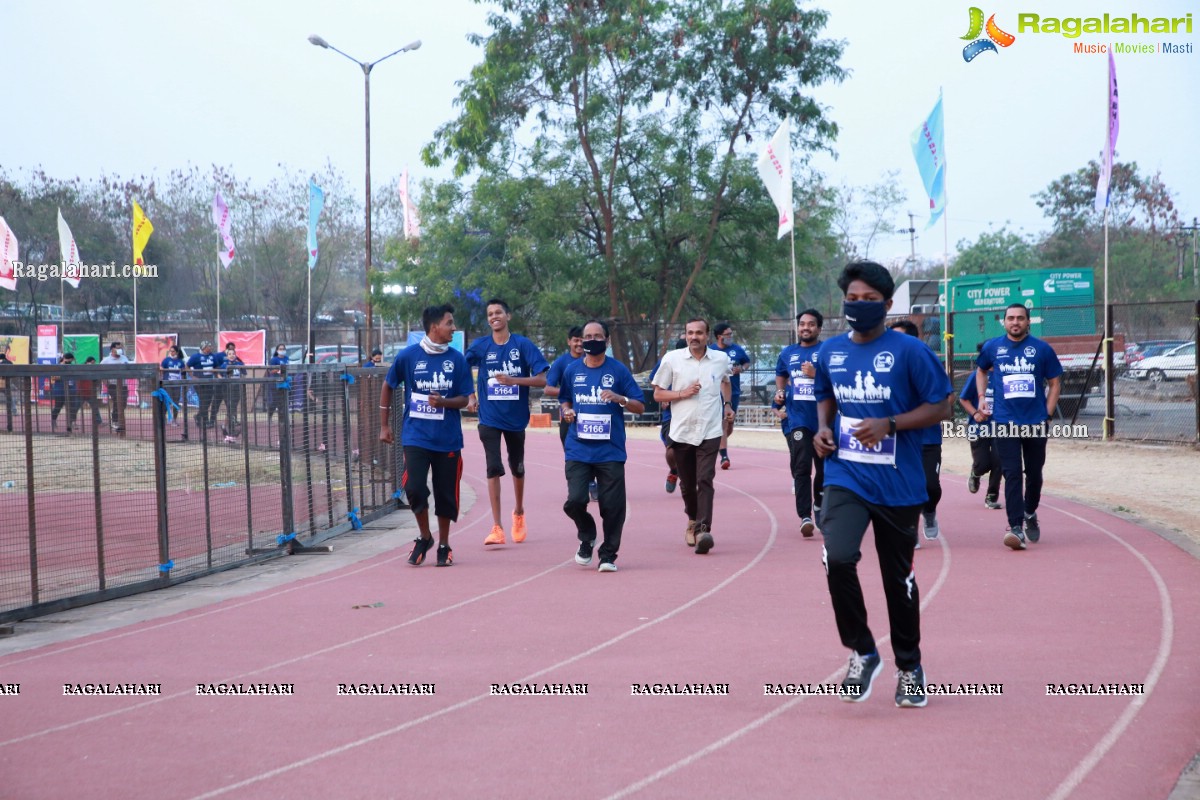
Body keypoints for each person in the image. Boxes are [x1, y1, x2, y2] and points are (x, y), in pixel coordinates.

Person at [812, 261, 952, 708]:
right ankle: (863, 650)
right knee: (837, 557)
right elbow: (824, 394)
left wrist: (890, 423)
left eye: (870, 301)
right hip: (845, 475)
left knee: (899, 581)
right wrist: (822, 429)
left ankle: (909, 667)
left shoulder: (910, 352)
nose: (859, 306)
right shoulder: (831, 351)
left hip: (898, 484)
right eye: (852, 299)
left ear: (888, 305)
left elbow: (943, 406)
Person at [379, 304, 474, 568]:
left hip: (447, 439)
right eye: (450, 323)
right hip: (415, 436)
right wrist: (384, 425)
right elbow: (389, 384)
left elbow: (465, 399)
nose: (453, 328)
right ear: (434, 327)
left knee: (445, 495)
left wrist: (444, 403)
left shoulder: (457, 359)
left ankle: (444, 544)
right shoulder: (408, 357)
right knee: (414, 488)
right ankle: (425, 536)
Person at [559, 320, 645, 572]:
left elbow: (640, 406)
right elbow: (564, 398)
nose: (592, 340)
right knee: (574, 501)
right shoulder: (572, 371)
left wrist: (621, 398)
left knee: (612, 506)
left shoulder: (618, 371)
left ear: (607, 341)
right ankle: (587, 535)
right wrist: (566, 411)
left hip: (610, 450)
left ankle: (608, 554)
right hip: (578, 448)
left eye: (597, 336)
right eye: (588, 336)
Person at [976, 303, 1063, 551]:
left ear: (1028, 322)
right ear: (1003, 322)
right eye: (1011, 318)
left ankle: (1029, 511)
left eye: (1020, 318)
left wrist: (1046, 414)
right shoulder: (993, 347)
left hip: (1035, 421)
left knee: (1034, 473)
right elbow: (981, 370)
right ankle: (1015, 527)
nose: (1015, 322)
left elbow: (1055, 382)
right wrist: (982, 398)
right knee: (1011, 473)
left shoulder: (1042, 349)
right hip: (1004, 421)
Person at [465, 298, 550, 546]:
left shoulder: (522, 345)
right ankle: (497, 526)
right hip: (489, 417)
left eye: (498, 312)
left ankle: (519, 512)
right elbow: (461, 369)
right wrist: (471, 395)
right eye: (490, 314)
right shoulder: (481, 346)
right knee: (493, 467)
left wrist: (515, 381)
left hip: (515, 419)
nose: (494, 317)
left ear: (508, 316)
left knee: (518, 467)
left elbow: (543, 378)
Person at [652, 320, 732, 554]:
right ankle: (691, 519)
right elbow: (657, 393)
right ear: (685, 335)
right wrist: (681, 393)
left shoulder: (720, 360)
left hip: (710, 430)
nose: (694, 336)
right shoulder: (672, 359)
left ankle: (702, 531)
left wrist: (727, 404)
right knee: (687, 485)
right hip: (682, 431)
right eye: (690, 333)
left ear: (708, 335)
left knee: (705, 479)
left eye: (699, 332)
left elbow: (726, 381)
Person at [889, 319, 951, 546]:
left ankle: (930, 511)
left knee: (930, 486)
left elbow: (947, 399)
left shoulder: (928, 363)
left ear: (914, 341)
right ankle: (909, 528)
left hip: (927, 438)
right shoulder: (884, 367)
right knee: (903, 486)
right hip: (898, 438)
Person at [774, 309, 825, 537]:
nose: (806, 328)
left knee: (824, 470)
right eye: (802, 324)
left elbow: (838, 378)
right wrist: (779, 392)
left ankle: (819, 505)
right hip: (798, 419)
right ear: (798, 328)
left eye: (811, 324)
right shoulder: (788, 353)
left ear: (819, 328)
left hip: (824, 420)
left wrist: (817, 375)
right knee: (802, 465)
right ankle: (805, 516)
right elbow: (781, 374)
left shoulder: (827, 351)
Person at [543, 326, 598, 501]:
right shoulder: (561, 363)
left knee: (595, 451)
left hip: (593, 415)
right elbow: (548, 388)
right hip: (569, 417)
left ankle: (593, 481)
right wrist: (568, 394)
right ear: (569, 342)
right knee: (573, 453)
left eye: (582, 340)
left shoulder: (594, 359)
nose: (579, 344)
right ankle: (580, 484)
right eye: (575, 340)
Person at [958, 344, 1003, 510]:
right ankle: (975, 473)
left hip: (1001, 427)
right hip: (978, 427)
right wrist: (975, 413)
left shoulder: (1003, 375)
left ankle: (991, 496)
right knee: (983, 463)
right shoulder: (976, 376)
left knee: (999, 461)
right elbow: (963, 399)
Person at [710, 322, 750, 469]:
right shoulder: (711, 351)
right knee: (723, 423)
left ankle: (718, 444)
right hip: (716, 393)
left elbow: (747, 362)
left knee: (729, 424)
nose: (730, 337)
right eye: (727, 335)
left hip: (734, 391)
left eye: (731, 334)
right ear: (719, 337)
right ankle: (724, 456)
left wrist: (742, 369)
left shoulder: (737, 350)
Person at [652, 338, 687, 494]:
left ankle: (691, 479)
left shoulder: (702, 362)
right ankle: (674, 470)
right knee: (672, 450)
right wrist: (664, 395)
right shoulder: (667, 361)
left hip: (694, 413)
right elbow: (654, 381)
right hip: (671, 415)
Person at [100, 341, 130, 431]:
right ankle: (115, 421)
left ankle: (119, 419)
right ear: (112, 349)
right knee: (117, 401)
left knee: (123, 402)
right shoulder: (106, 360)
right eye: (117, 348)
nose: (119, 350)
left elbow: (128, 369)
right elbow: (100, 371)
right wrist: (105, 382)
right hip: (112, 385)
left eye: (120, 348)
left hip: (124, 385)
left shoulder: (124, 358)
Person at [221, 342, 246, 442]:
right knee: (230, 408)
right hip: (227, 389)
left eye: (233, 354)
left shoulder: (239, 364)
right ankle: (230, 430)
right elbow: (221, 374)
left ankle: (225, 426)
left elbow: (244, 373)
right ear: (227, 356)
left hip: (237, 389)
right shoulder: (224, 365)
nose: (232, 356)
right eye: (229, 354)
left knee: (233, 408)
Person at [49, 352, 77, 432]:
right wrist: (62, 377)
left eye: (71, 360)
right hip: (60, 390)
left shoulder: (71, 366)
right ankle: (53, 421)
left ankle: (72, 423)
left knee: (72, 407)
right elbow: (52, 379)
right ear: (64, 358)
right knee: (58, 406)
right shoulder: (57, 367)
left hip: (71, 390)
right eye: (68, 360)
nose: (69, 361)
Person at [160, 345, 186, 428]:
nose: (172, 352)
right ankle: (163, 417)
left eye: (173, 351)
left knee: (176, 402)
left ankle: (174, 419)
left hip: (177, 385)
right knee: (166, 401)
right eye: (170, 351)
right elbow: (161, 368)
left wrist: (182, 381)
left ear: (177, 352)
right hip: (168, 384)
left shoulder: (180, 362)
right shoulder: (166, 360)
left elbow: (183, 372)